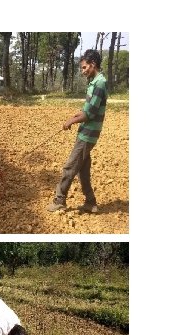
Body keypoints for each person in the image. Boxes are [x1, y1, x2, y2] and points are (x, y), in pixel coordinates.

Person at [47, 49, 108, 214]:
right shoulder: (94, 81)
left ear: (93, 65)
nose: (83, 71)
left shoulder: (99, 83)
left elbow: (89, 114)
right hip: (86, 132)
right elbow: (87, 109)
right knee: (83, 170)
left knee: (69, 167)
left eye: (84, 67)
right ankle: (91, 203)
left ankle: (59, 200)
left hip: (88, 135)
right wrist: (77, 115)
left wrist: (71, 121)